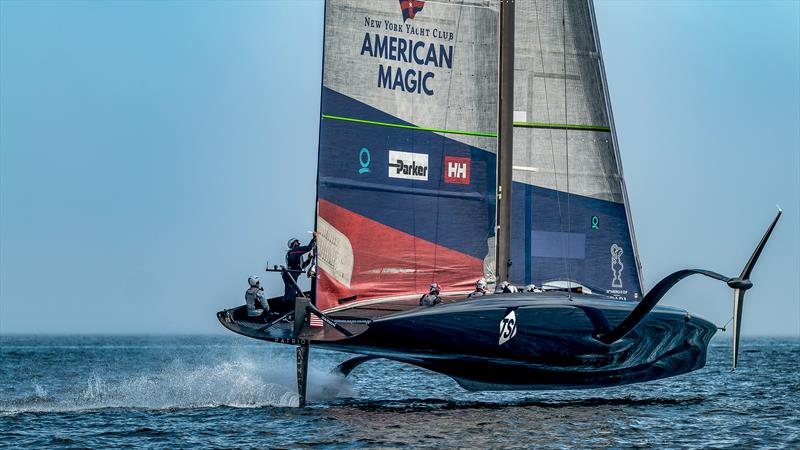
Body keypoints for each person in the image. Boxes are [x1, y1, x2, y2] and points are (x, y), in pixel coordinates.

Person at [281, 233, 316, 313]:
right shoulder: (294, 251)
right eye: (297, 242)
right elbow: (308, 248)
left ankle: (284, 314)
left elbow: (302, 266)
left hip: (292, 275)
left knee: (289, 293)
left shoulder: (297, 254)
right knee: (290, 294)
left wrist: (309, 260)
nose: (299, 243)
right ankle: (286, 314)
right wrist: (314, 239)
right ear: (293, 244)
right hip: (290, 274)